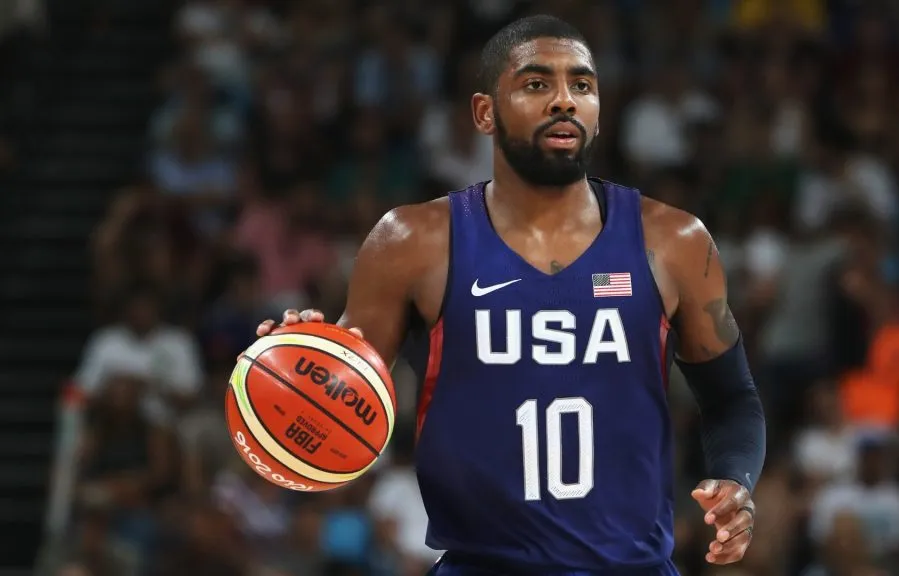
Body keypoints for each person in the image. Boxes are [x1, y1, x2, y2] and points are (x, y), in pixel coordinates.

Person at [252, 15, 766, 574]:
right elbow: (341, 404)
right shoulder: (412, 241)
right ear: (484, 112)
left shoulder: (674, 241)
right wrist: (299, 360)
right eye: (537, 84)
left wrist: (736, 480)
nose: (565, 101)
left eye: (583, 85)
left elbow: (733, 398)